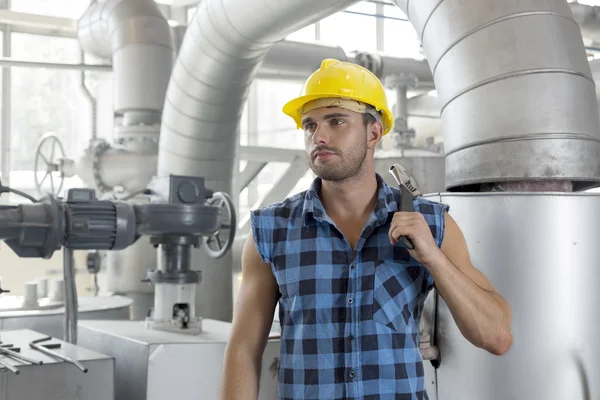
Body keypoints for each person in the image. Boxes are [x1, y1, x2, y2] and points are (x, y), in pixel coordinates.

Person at [219, 58, 513, 400]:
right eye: (309, 125)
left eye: (336, 121)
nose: (320, 136)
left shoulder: (431, 223)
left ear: (374, 132)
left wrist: (433, 258)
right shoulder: (271, 231)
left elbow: (496, 336)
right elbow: (242, 351)